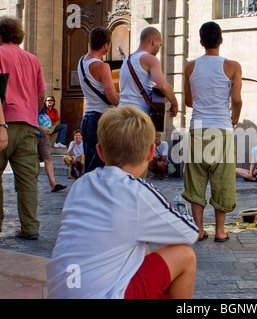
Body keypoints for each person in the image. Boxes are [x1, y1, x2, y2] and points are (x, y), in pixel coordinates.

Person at [46, 106, 198, 299]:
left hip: (62, 290)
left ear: (99, 151)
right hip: (102, 295)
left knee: (140, 245)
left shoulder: (81, 184)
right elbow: (191, 233)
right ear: (151, 152)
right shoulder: (137, 192)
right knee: (184, 255)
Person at [182, 21, 242, 243]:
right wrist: (235, 115)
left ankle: (198, 229)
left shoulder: (190, 67)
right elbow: (235, 99)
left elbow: (189, 101)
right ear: (221, 40)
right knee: (223, 179)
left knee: (196, 178)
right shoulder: (233, 66)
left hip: (197, 127)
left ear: (201, 42)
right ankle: (219, 231)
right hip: (222, 128)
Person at [0, 16, 47, 240]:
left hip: (3, 123)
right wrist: (31, 113)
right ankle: (30, 227)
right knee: (28, 179)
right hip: (28, 126)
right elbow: (41, 94)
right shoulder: (32, 59)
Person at [118, 26, 178, 179]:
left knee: (123, 162)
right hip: (139, 117)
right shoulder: (150, 59)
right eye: (160, 44)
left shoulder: (127, 61)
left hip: (120, 116)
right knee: (139, 163)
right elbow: (163, 85)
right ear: (154, 41)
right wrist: (175, 103)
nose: (160, 47)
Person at [78, 27, 119, 173]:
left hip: (88, 118)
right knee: (102, 164)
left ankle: (88, 193)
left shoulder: (82, 61)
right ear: (106, 45)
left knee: (91, 164)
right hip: (102, 119)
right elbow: (113, 98)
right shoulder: (102, 66)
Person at [36, 110, 67, 193]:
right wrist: (42, 128)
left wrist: (50, 129)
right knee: (33, 160)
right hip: (33, 135)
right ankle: (29, 183)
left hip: (44, 136)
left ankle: (53, 184)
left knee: (48, 159)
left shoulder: (44, 107)